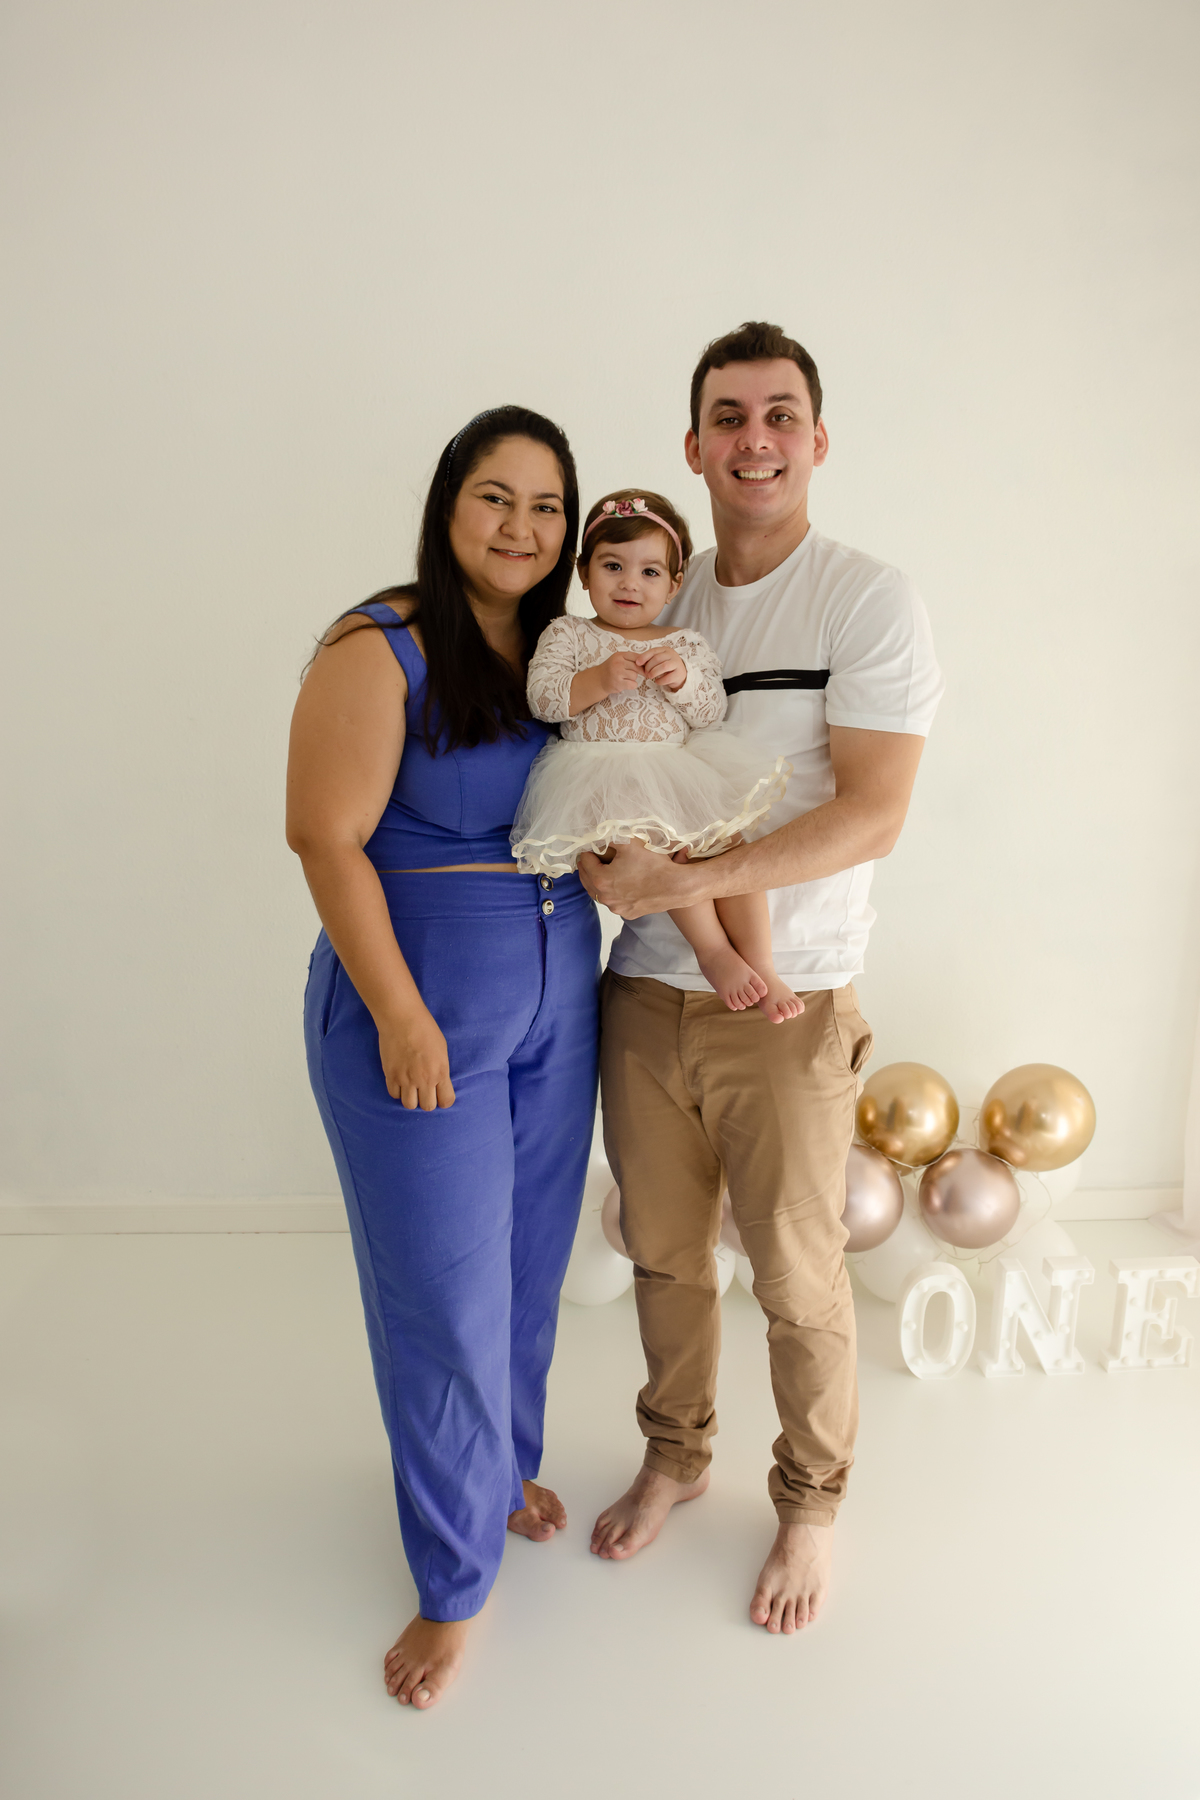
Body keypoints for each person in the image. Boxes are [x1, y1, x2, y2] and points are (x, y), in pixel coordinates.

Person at [581, 322, 944, 1634]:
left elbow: (874, 814)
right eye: (729, 417)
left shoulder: (863, 598)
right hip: (644, 991)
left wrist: (691, 880)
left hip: (791, 998)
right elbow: (601, 753)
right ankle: (676, 1456)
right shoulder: (653, 594)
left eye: (780, 414)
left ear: (817, 439)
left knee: (797, 1274)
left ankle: (810, 1502)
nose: (755, 439)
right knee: (667, 1258)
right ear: (693, 446)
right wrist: (601, 859)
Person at [286, 406, 600, 1710]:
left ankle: (498, 1472)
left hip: (559, 999)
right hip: (421, 1012)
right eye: (495, 497)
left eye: (546, 506)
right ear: (448, 504)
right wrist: (403, 1017)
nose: (522, 527)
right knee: (444, 1296)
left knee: (526, 1270)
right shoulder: (381, 644)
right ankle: (452, 1582)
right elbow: (322, 836)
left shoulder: (562, 650)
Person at [511, 487, 800, 1021]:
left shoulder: (684, 642)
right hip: (600, 777)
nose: (629, 583)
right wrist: (597, 680)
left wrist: (684, 679)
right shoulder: (570, 634)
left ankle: (765, 965)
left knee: (728, 847)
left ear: (674, 583)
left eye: (649, 572)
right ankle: (714, 952)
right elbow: (543, 698)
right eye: (612, 566)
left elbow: (710, 712)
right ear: (583, 572)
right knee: (654, 855)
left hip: (675, 771)